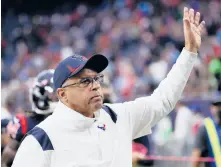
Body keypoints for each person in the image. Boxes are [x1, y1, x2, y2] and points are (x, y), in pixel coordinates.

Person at [12, 7, 205, 167]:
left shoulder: (117, 117)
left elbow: (163, 100)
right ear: (62, 95)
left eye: (96, 79)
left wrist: (189, 52)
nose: (96, 86)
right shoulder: (42, 139)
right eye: (85, 81)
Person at [1, 69, 58, 167]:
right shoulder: (24, 122)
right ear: (40, 93)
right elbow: (7, 159)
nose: (58, 97)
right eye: (54, 93)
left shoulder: (64, 120)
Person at [192, 99, 221, 167]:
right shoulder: (205, 127)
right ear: (211, 108)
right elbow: (196, 154)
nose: (219, 108)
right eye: (217, 106)